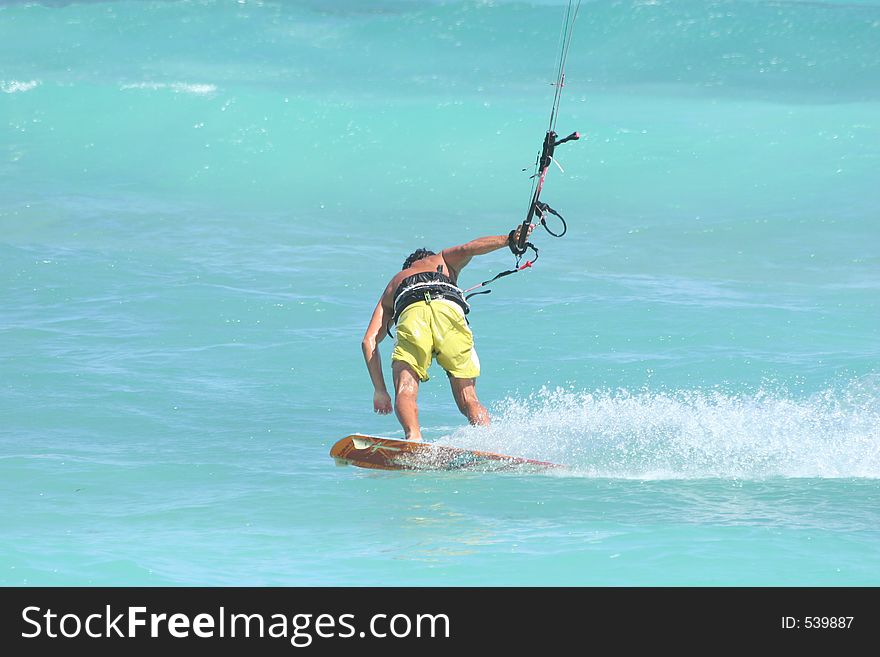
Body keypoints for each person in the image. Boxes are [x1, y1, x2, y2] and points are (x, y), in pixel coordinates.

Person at [361, 224, 533, 440]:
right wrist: (509, 239)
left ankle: (413, 438)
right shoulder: (441, 259)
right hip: (448, 312)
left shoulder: (395, 281)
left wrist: (380, 390)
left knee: (405, 388)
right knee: (469, 398)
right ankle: (489, 441)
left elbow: (369, 341)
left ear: (409, 266)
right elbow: (469, 248)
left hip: (412, 314)